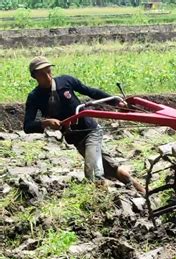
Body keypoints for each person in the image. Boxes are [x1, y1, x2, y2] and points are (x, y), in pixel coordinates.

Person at [23, 56, 145, 194]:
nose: (47, 76)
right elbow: (27, 126)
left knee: (92, 171)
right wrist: (45, 123)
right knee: (111, 169)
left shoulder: (65, 81)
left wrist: (116, 102)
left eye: (49, 71)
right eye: (42, 73)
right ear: (34, 76)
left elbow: (90, 91)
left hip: (90, 131)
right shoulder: (34, 97)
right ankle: (144, 192)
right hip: (76, 139)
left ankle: (101, 203)